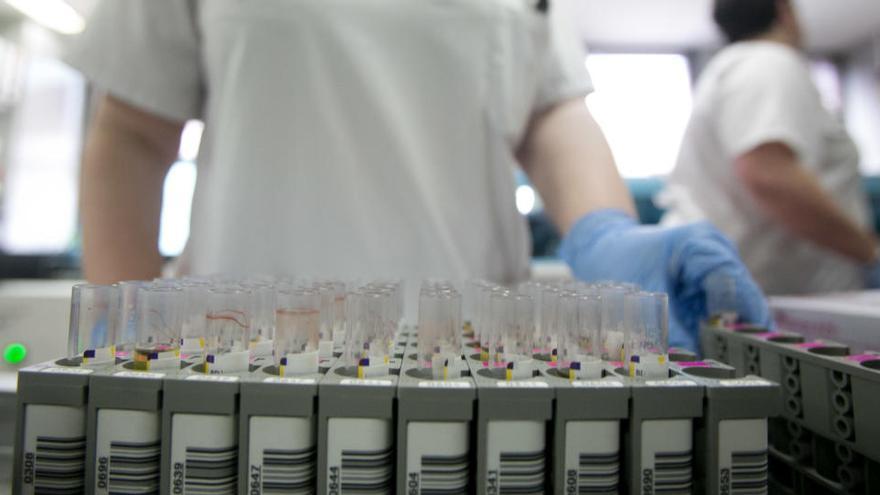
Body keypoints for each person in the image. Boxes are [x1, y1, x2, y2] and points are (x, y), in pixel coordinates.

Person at [68, 0, 768, 352]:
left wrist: (608, 234)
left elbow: (551, 111)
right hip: (241, 372)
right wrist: (125, 345)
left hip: (473, 376)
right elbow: (131, 134)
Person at [659, 0, 879, 296]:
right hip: (778, 302)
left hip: (757, 292)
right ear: (784, 12)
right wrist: (869, 252)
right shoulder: (767, 62)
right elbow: (768, 174)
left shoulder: (734, 67)